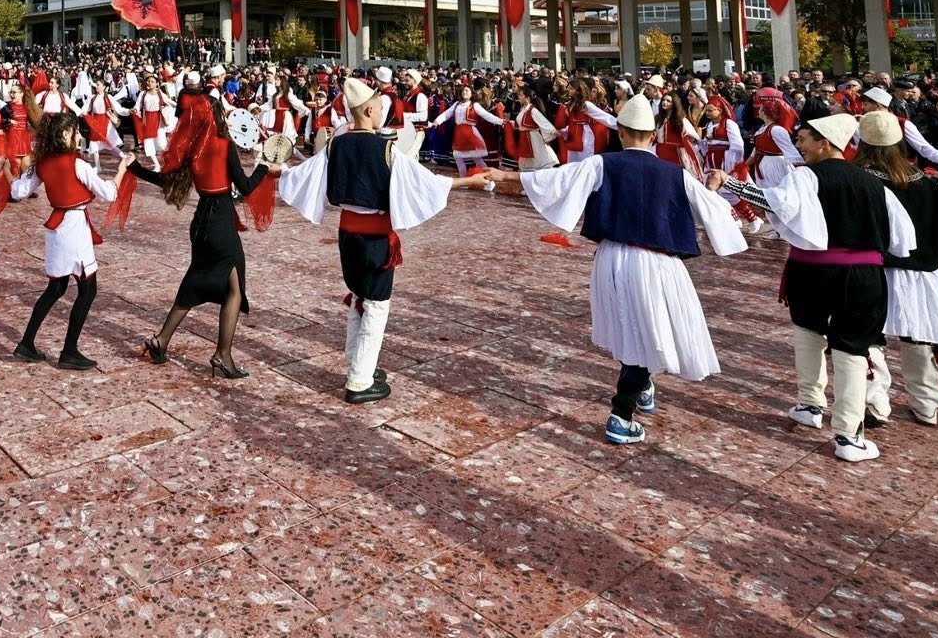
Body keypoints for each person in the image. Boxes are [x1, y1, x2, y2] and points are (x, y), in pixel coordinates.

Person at [492, 92, 746, 443]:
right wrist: (715, 189)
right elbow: (714, 212)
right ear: (653, 136)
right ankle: (621, 414)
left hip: (612, 257)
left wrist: (503, 176)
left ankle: (641, 387)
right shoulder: (677, 175)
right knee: (649, 330)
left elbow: (555, 180)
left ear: (621, 132)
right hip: (657, 262)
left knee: (632, 327)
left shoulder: (602, 164)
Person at [278, 77, 496, 404]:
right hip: (377, 238)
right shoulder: (386, 148)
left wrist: (276, 171)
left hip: (347, 235)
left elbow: (302, 175)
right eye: (380, 108)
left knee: (359, 298)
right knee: (376, 305)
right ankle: (360, 381)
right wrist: (469, 183)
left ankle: (357, 364)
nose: (383, 112)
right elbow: (426, 183)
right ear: (369, 110)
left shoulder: (336, 144)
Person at [757, 111, 917, 462]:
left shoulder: (805, 176)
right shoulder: (874, 184)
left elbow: (779, 205)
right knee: (852, 347)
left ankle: (810, 404)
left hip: (811, 269)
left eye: (804, 139)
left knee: (808, 332)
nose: (799, 145)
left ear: (824, 142)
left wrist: (732, 186)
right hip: (862, 274)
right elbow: (902, 237)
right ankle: (847, 433)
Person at [115, 90, 272, 378]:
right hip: (221, 222)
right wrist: (264, 167)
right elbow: (246, 188)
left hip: (200, 223)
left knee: (194, 282)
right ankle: (222, 355)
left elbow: (166, 180)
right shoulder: (224, 144)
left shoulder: (192, 147)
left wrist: (134, 167)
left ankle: (161, 340)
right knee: (235, 290)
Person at [855, 109, 938, 427]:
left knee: (870, 334)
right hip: (922, 273)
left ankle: (875, 400)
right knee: (918, 336)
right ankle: (927, 404)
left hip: (877, 269)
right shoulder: (930, 183)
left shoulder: (860, 180)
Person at [8, 112, 116, 370]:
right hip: (74, 229)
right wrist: (121, 172)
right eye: (76, 132)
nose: (79, 136)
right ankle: (69, 350)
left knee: (56, 288)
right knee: (88, 290)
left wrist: (5, 173)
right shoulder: (77, 164)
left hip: (57, 230)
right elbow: (108, 194)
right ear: (66, 134)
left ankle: (26, 343)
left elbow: (18, 191)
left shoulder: (42, 163)